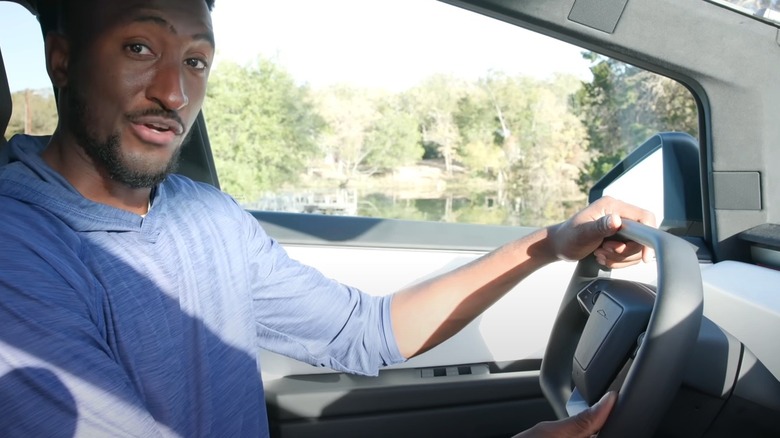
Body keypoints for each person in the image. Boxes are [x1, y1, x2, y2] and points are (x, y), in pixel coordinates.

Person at [0, 0, 655, 436]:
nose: (175, 92)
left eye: (196, 60)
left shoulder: (207, 216)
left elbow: (366, 331)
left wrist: (548, 244)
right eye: (140, 47)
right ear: (62, 60)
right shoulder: (17, 252)